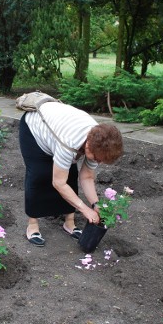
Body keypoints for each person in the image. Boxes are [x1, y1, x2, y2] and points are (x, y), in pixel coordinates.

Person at [19, 101, 123, 247]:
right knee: (39, 174)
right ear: (88, 146)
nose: (99, 162)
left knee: (71, 174)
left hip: (58, 127)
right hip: (35, 128)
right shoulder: (69, 142)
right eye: (97, 158)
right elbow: (58, 182)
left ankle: (69, 223)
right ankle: (33, 224)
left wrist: (95, 204)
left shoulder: (99, 143)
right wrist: (84, 209)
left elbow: (86, 176)